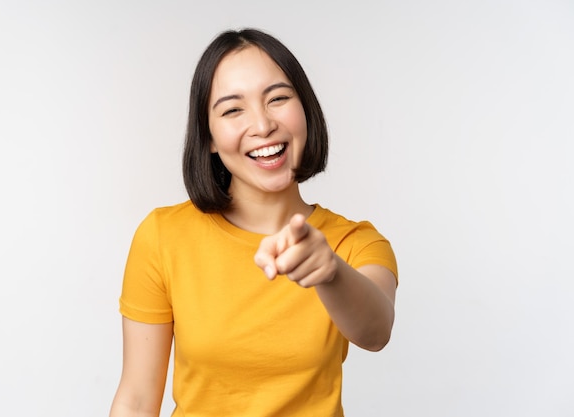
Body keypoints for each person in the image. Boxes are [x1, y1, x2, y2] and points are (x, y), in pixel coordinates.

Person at [109, 28, 398, 417]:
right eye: (232, 109)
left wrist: (330, 272)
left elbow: (376, 333)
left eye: (278, 98)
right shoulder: (162, 236)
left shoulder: (355, 242)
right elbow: (137, 399)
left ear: (305, 110)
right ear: (208, 137)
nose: (262, 125)